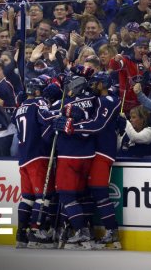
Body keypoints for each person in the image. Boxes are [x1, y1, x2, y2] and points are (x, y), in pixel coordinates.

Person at [58, 72, 122, 249]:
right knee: (89, 193)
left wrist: (72, 127)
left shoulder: (108, 100)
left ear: (103, 84)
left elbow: (98, 125)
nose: (92, 86)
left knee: (100, 193)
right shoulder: (99, 99)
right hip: (95, 152)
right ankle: (93, 231)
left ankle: (112, 232)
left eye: (95, 83)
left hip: (103, 152)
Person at [12, 78, 57, 249]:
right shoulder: (39, 103)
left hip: (23, 158)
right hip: (38, 156)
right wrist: (62, 113)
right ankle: (36, 232)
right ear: (38, 91)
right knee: (43, 197)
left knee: (27, 198)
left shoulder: (19, 108)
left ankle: (21, 234)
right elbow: (47, 117)